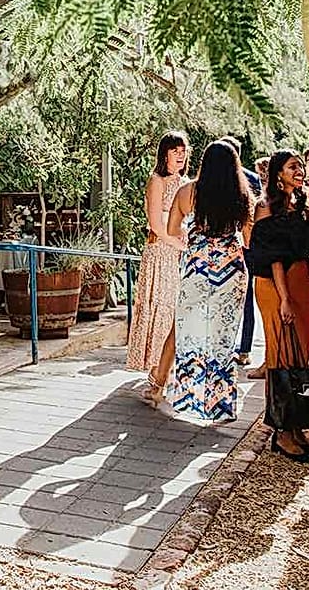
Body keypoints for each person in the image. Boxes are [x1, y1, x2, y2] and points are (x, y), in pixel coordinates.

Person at [248, 148, 309, 461]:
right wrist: (284, 299)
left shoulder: (302, 204)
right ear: (278, 173)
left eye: (301, 165)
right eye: (293, 166)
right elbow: (274, 258)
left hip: (302, 285)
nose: (300, 170)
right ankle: (282, 433)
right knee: (282, 357)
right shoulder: (266, 207)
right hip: (276, 287)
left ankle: (296, 428)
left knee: (299, 359)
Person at [163, 141, 253, 421]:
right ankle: (220, 404)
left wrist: (195, 247)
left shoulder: (187, 192)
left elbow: (172, 230)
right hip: (231, 271)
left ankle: (188, 400)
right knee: (223, 337)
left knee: (190, 332)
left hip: (196, 269)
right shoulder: (241, 195)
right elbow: (249, 239)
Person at [127, 131, 191, 403]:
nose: (181, 155)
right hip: (161, 251)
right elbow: (155, 223)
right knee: (159, 307)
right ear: (164, 153)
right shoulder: (157, 181)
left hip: (181, 253)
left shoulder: (187, 183)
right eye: (175, 150)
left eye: (184, 150)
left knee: (176, 309)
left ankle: (168, 369)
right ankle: (154, 369)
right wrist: (178, 245)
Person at [220, 136, 265, 377]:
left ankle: (230, 346)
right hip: (246, 247)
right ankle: (245, 349)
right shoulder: (252, 178)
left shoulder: (217, 179)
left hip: (234, 245)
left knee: (233, 297)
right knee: (246, 299)